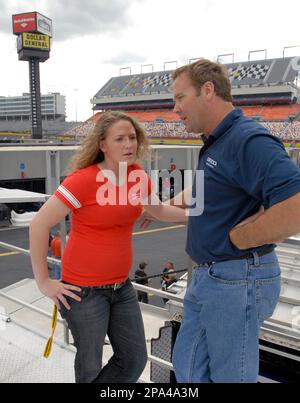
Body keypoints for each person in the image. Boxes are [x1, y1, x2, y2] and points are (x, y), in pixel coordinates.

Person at [29, 110, 187, 383]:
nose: (129, 144)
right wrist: (44, 282)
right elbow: (38, 225)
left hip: (121, 287)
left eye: (132, 137)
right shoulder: (83, 180)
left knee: (134, 358)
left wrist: (197, 218)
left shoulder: (137, 175)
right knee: (89, 366)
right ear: (103, 145)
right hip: (83, 292)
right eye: (119, 139)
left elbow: (158, 209)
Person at [170, 59, 300, 383]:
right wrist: (156, 206)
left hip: (236, 277)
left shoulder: (247, 139)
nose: (175, 109)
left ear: (208, 90)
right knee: (187, 369)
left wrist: (242, 239)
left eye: (180, 98)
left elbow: (296, 205)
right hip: (209, 276)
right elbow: (205, 190)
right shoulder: (217, 141)